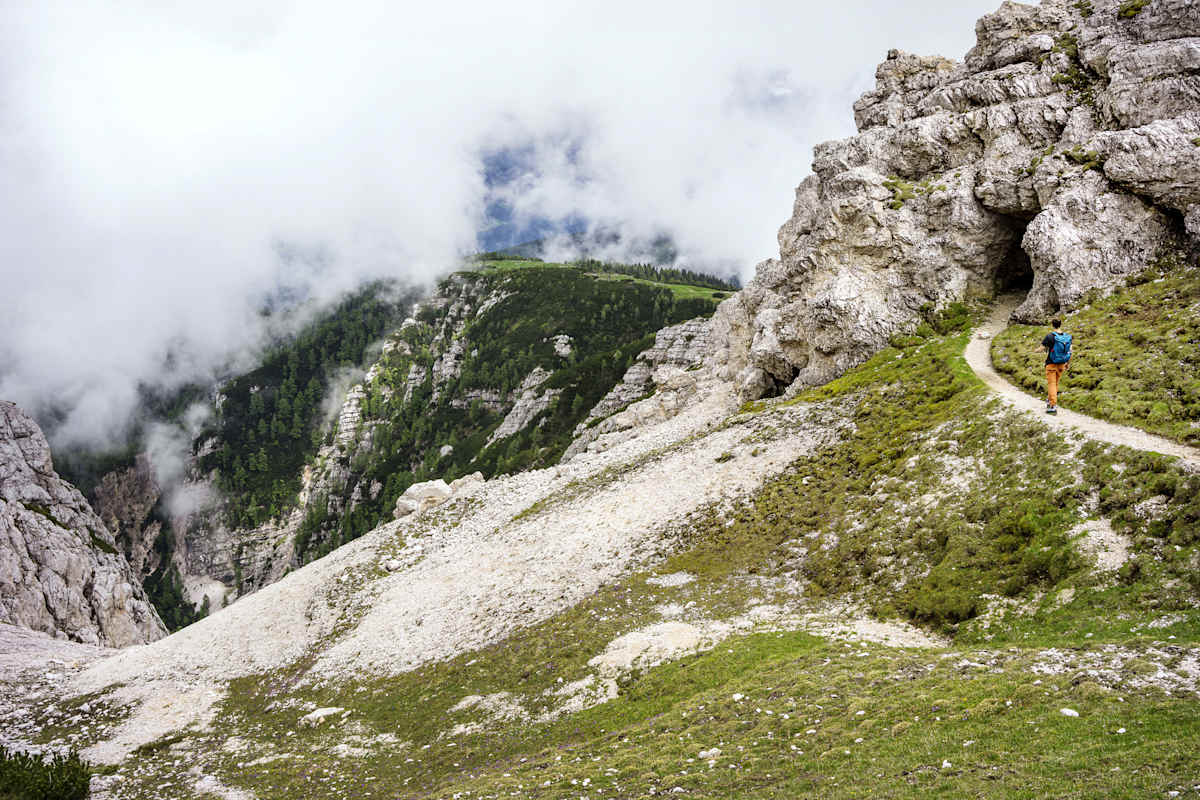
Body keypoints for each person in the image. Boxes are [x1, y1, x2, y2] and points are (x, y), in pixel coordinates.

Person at [1040, 318, 1072, 414]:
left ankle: (1053, 406)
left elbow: (1042, 348)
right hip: (1062, 364)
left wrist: (1034, 350)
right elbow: (1070, 351)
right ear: (1060, 324)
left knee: (1051, 384)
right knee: (1056, 384)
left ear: (1052, 325)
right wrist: (1067, 363)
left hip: (1051, 364)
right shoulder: (1067, 337)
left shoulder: (1050, 336)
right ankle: (1050, 400)